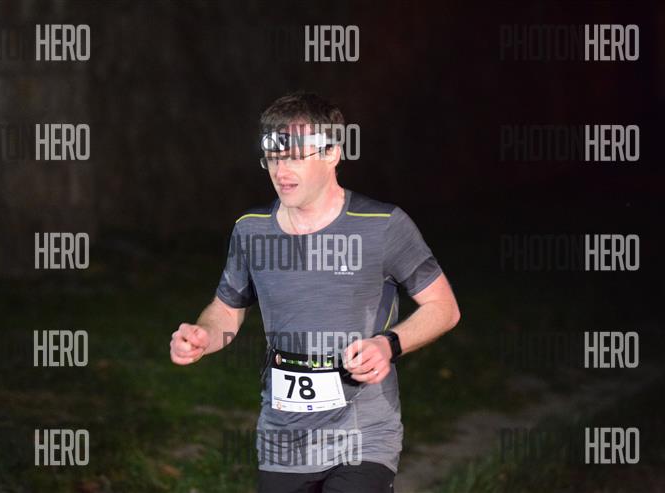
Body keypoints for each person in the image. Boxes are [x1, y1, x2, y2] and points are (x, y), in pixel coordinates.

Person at [170, 91, 460, 493]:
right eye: (273, 157)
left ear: (332, 153)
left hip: (363, 434)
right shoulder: (251, 230)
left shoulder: (382, 225)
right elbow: (227, 310)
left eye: (295, 157)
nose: (281, 170)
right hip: (283, 436)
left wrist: (389, 345)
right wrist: (203, 335)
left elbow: (443, 307)